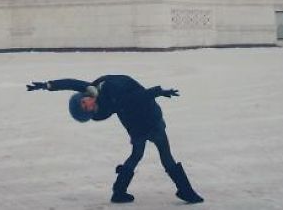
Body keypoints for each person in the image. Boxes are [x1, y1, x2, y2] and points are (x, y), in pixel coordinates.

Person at [27, 74, 204, 204]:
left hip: (140, 118)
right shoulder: (110, 98)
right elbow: (135, 98)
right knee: (154, 154)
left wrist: (47, 85)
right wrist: (158, 91)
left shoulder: (92, 90)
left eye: (83, 101)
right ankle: (184, 190)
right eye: (86, 107)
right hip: (146, 119)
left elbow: (72, 83)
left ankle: (119, 191)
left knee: (143, 155)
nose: (88, 102)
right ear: (90, 112)